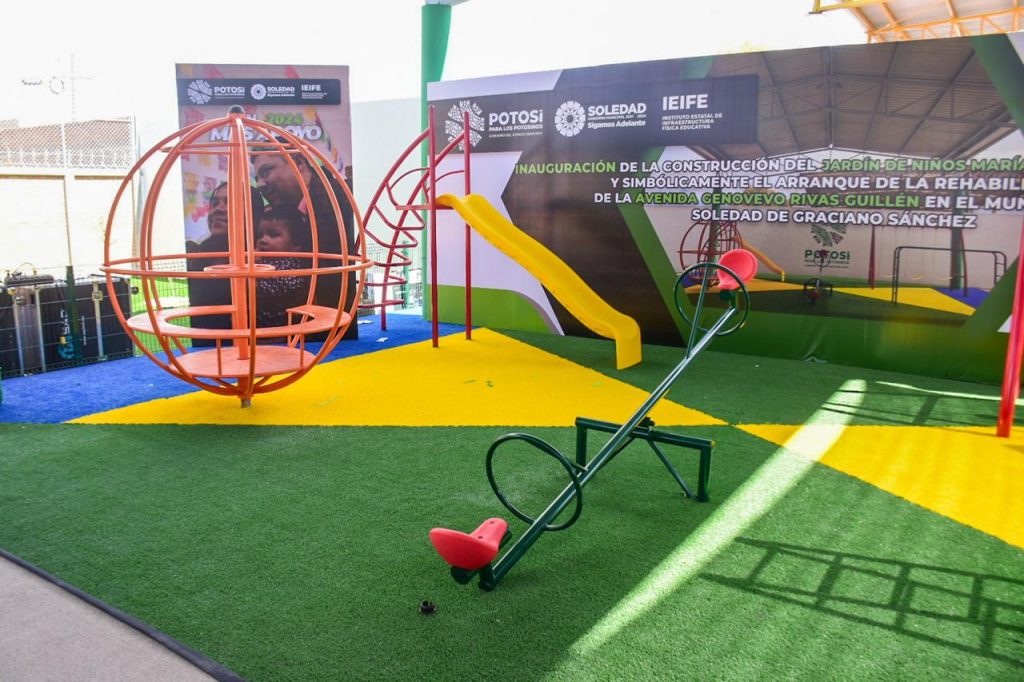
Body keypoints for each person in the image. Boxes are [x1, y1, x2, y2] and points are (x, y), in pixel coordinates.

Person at [252, 140, 358, 339]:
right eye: (257, 177)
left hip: (331, 329)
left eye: (266, 171)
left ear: (299, 162)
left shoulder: (337, 200)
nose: (260, 184)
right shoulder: (283, 213)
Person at [254, 207, 311, 329]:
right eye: (260, 235)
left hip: (283, 331)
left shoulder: (291, 266)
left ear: (295, 245)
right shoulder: (263, 261)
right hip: (260, 328)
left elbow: (273, 288)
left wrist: (250, 273)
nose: (263, 240)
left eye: (273, 234)